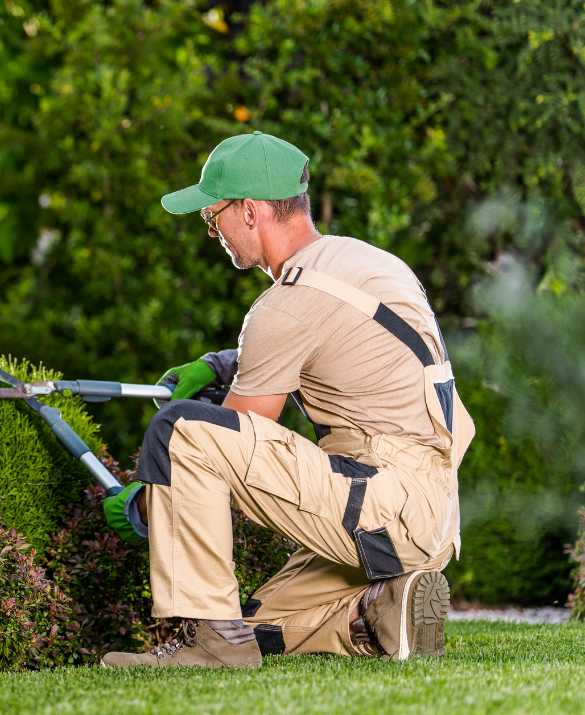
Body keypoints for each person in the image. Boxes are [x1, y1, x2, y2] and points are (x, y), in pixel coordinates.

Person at [99, 132, 474, 668]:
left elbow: (229, 447)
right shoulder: (364, 263)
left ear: (249, 211)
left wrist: (144, 504)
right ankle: (376, 612)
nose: (212, 230)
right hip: (428, 514)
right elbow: (336, 346)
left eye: (213, 216)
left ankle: (214, 647)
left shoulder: (286, 304)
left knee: (180, 430)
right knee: (253, 623)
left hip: (382, 507)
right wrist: (221, 364)